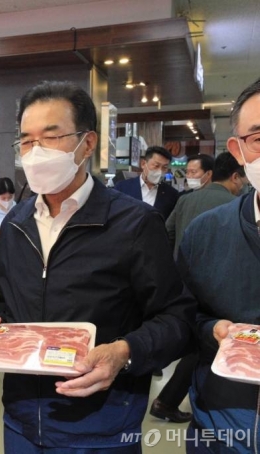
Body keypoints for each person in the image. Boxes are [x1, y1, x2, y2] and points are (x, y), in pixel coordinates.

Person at [0, 81, 195, 452]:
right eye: (25, 140)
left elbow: (177, 317)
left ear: (87, 144)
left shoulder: (134, 223)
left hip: (102, 425)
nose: (34, 152)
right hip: (21, 422)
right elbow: (11, 305)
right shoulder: (15, 224)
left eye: (50, 137)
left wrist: (125, 351)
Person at [177, 77, 260, 453]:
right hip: (221, 426)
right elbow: (182, 315)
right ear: (238, 149)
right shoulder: (207, 232)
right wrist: (211, 328)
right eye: (259, 139)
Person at [148, 152, 246, 426]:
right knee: (209, 342)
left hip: (182, 281)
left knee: (189, 335)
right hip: (222, 289)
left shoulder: (185, 200)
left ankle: (166, 396)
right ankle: (172, 402)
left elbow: (165, 235)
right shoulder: (238, 206)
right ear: (236, 177)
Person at [166, 152, 245, 254]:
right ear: (235, 177)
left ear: (209, 174)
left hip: (183, 264)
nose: (188, 176)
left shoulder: (184, 200)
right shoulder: (236, 203)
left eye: (193, 172)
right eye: (187, 172)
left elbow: (168, 232)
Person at [114, 145, 180, 220]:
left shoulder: (172, 194)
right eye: (156, 166)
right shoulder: (122, 188)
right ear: (143, 164)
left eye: (164, 167)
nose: (160, 171)